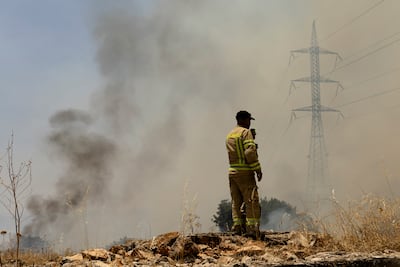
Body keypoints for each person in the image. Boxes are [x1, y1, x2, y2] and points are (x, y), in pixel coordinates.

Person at [226, 111, 262, 238]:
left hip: (232, 172)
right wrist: (257, 169)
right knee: (251, 200)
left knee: (236, 201)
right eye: (249, 120)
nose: (250, 123)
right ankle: (252, 229)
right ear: (245, 120)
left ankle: (237, 227)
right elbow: (249, 153)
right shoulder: (245, 133)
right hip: (245, 172)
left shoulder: (230, 134)